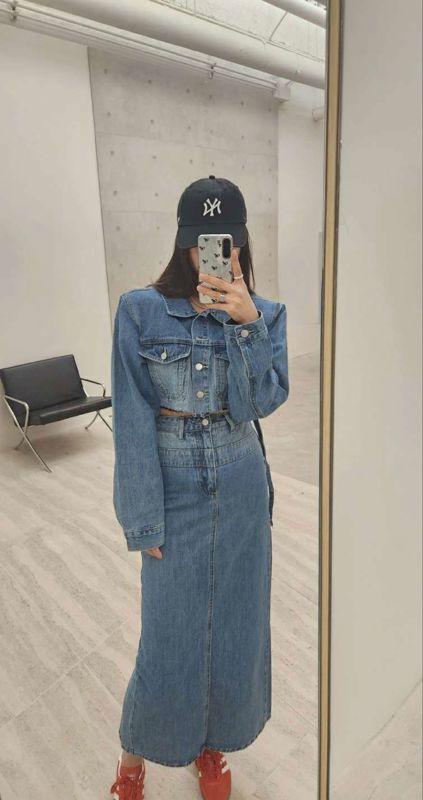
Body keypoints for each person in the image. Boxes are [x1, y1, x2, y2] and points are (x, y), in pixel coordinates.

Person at [109, 176, 289, 800]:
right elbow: (131, 417)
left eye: (224, 242)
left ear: (240, 244)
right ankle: (134, 756)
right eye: (200, 242)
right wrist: (142, 516)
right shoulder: (140, 310)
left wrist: (245, 325)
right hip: (175, 483)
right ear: (183, 241)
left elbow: (261, 403)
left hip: (240, 483)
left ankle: (210, 746)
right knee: (168, 636)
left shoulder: (265, 315)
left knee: (235, 629)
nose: (210, 254)